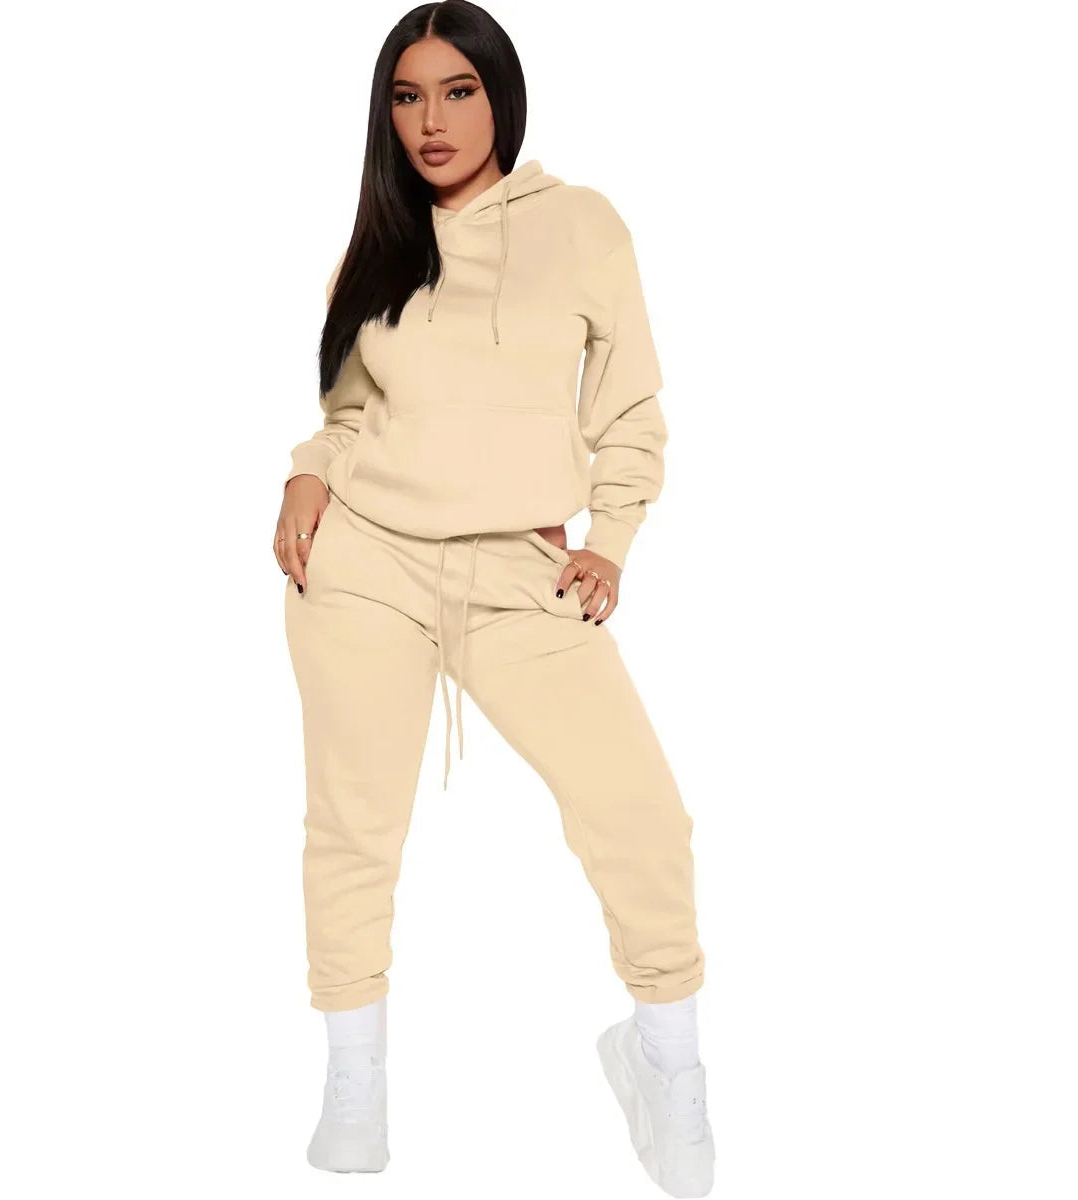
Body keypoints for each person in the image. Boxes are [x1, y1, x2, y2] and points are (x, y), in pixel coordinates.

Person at [273, 4, 713, 1195]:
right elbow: (349, 416)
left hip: (520, 569)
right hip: (364, 561)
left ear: (501, 97)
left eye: (458, 91)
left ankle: (667, 1059)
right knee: (354, 827)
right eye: (408, 96)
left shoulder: (582, 226)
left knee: (639, 812)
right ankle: (353, 1087)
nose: (432, 121)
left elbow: (629, 407)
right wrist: (305, 476)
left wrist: (611, 543)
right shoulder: (377, 245)